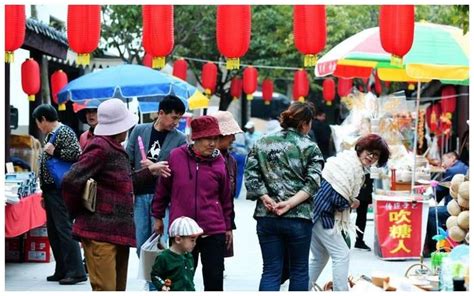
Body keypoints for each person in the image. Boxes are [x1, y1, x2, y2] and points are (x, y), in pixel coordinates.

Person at [245, 102, 324, 291]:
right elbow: (313, 183)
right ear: (304, 124)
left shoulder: (262, 142)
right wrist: (289, 204)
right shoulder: (310, 147)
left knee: (271, 270)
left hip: (267, 216)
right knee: (299, 270)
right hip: (298, 217)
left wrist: (265, 198)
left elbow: (251, 175)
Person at [62, 99, 139, 291]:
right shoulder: (100, 146)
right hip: (100, 232)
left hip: (117, 232)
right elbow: (71, 179)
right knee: (105, 289)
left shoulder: (113, 147)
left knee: (117, 288)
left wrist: (150, 172)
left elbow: (122, 182)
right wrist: (80, 210)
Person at [152, 115, 232, 291]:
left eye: (215, 138)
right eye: (207, 138)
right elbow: (163, 189)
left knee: (214, 282)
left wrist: (228, 227)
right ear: (195, 138)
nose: (212, 143)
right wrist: (157, 216)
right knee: (180, 282)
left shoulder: (220, 161)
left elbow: (226, 197)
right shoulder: (176, 156)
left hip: (213, 230)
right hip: (182, 232)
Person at [308, 134, 390, 291]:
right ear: (361, 148)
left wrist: (350, 201)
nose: (371, 157)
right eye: (369, 152)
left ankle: (298, 289)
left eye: (376, 155)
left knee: (320, 257)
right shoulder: (350, 166)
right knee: (342, 254)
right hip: (323, 214)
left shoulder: (350, 162)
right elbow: (338, 198)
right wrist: (353, 202)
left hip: (316, 212)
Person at [125, 95, 187, 290]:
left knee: (161, 240)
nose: (176, 123)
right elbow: (128, 161)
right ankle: (150, 277)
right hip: (140, 195)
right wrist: (144, 172)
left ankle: (157, 284)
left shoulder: (179, 139)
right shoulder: (139, 131)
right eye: (173, 117)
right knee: (142, 241)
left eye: (179, 118)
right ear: (160, 113)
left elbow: (176, 170)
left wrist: (152, 166)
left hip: (163, 198)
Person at [32, 104, 87, 285]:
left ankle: (76, 271)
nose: (38, 126)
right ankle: (62, 268)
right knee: (54, 231)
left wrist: (54, 151)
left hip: (59, 189)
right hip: (50, 190)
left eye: (38, 122)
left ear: (43, 119)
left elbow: (77, 155)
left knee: (64, 229)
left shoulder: (64, 132)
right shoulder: (51, 134)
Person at [211, 111, 244, 257]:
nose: (234, 138)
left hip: (219, 224)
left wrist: (229, 226)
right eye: (231, 134)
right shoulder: (196, 158)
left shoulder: (231, 162)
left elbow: (229, 199)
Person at [423, 151, 468, 256]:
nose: (443, 163)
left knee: (431, 213)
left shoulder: (453, 170)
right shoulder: (463, 166)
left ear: (452, 158)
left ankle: (438, 247)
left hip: (460, 210)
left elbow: (440, 190)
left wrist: (431, 194)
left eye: (444, 160)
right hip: (461, 207)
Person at [151, 216, 203, 291]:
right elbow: (155, 275)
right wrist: (162, 286)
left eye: (195, 240)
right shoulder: (164, 257)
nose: (195, 244)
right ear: (178, 239)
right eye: (192, 240)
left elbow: (189, 279)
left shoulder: (189, 256)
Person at [354, 173, 374, 251]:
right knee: (361, 217)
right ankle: (358, 241)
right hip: (359, 190)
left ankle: (359, 241)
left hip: (364, 190)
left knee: (361, 217)